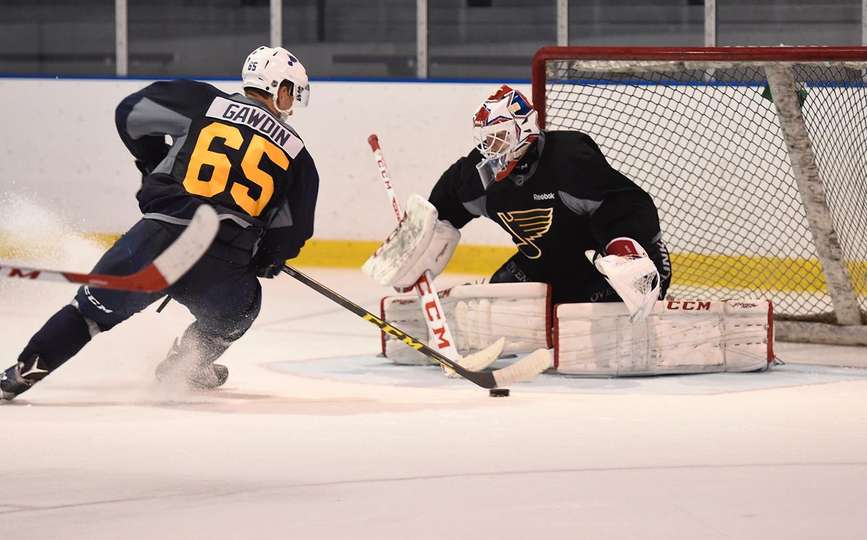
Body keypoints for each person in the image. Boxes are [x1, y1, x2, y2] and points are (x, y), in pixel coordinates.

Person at [0, 46, 320, 401]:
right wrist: (266, 260)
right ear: (281, 88)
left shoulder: (201, 101)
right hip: (221, 266)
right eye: (293, 92)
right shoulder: (299, 158)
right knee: (242, 310)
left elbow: (130, 113)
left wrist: (153, 162)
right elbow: (291, 233)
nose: (291, 104)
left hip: (157, 237)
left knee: (88, 314)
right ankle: (187, 364)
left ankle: (21, 372)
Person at [365, 84, 671, 323]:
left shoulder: (569, 161)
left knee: (592, 322)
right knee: (494, 310)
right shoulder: (478, 176)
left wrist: (625, 250)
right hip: (545, 264)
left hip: (615, 265)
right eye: (485, 141)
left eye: (497, 138)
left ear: (522, 129)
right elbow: (442, 212)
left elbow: (629, 203)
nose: (489, 150)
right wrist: (414, 246)